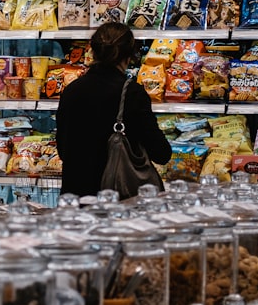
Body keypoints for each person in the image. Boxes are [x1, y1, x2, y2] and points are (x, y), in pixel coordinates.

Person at [55, 22, 172, 198]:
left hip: (75, 198)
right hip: (117, 199)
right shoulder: (132, 93)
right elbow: (161, 153)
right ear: (130, 55)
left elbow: (63, 150)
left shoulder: (71, 90)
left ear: (92, 51)